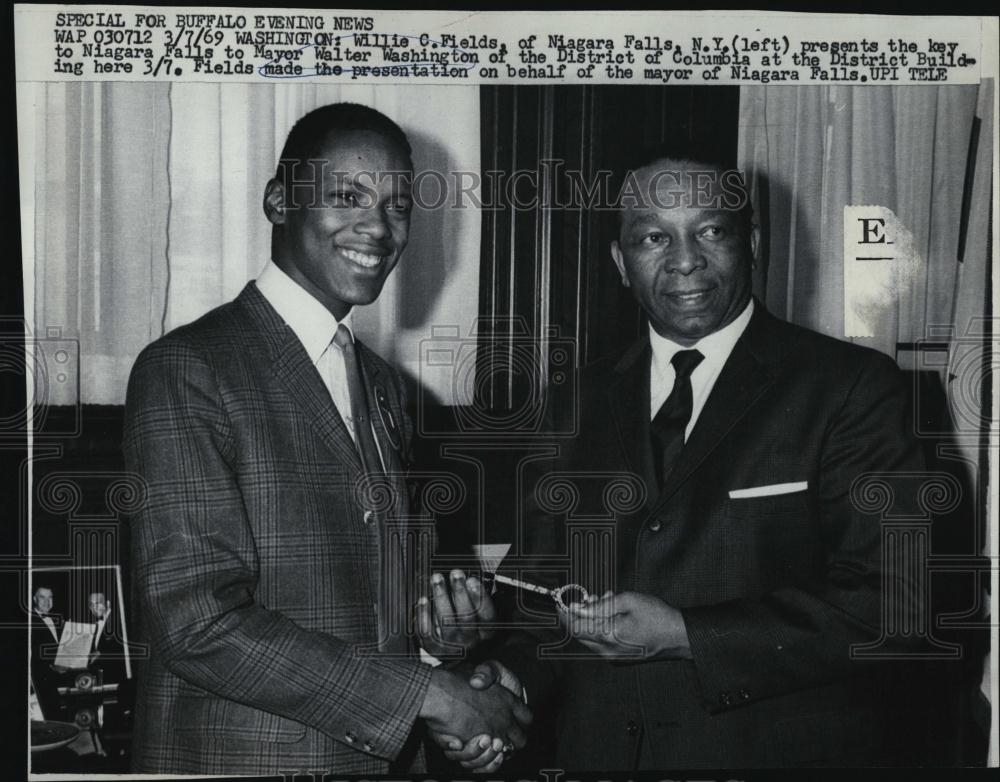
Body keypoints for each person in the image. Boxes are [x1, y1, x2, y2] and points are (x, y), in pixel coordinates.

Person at [451, 148, 930, 769]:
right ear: (622, 262)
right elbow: (542, 606)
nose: (685, 261)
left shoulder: (851, 388)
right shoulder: (575, 402)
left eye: (710, 230)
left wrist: (684, 635)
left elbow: (897, 606)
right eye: (654, 236)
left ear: (751, 242)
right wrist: (506, 679)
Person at [123, 103, 528, 775]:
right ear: (279, 201)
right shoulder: (189, 369)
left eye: (398, 206)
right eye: (347, 197)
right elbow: (198, 624)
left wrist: (440, 642)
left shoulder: (386, 389)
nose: (378, 227)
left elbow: (375, 602)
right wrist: (430, 695)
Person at [29, 585, 63, 717]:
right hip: (40, 681)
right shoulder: (28, 621)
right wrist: (52, 665)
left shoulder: (58, 618)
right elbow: (32, 653)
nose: (47, 602)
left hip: (60, 680)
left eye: (50, 597)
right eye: (42, 597)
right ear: (34, 599)